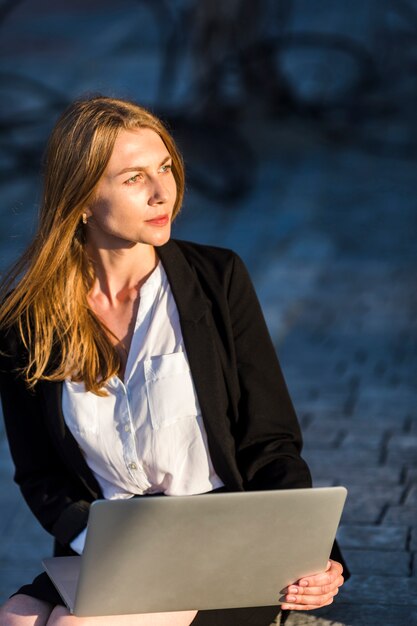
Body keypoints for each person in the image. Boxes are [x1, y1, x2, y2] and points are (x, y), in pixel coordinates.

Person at [0, 96, 346, 626]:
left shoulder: (219, 279)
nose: (165, 192)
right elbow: (40, 475)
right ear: (82, 199)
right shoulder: (28, 320)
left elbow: (269, 442)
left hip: (221, 539)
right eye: (135, 178)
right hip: (111, 546)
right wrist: (101, 542)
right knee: (19, 618)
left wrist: (314, 551)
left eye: (165, 168)